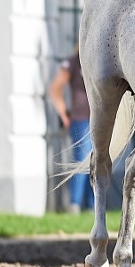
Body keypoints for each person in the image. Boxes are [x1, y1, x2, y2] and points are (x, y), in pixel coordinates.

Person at [49, 45, 94, 214]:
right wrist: (63, 113)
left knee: (97, 164)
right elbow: (55, 88)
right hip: (81, 120)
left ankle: (93, 207)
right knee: (82, 162)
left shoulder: (98, 59)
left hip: (99, 120)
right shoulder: (74, 62)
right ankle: (74, 204)